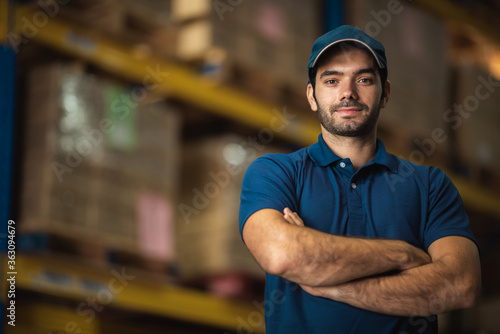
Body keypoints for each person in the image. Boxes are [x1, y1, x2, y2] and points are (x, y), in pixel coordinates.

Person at [239, 25, 481, 333]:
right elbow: (281, 254)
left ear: (386, 94)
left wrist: (325, 285)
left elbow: (461, 285)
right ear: (312, 96)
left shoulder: (431, 185)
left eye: (364, 79)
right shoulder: (277, 172)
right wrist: (403, 254)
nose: (347, 92)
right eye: (332, 80)